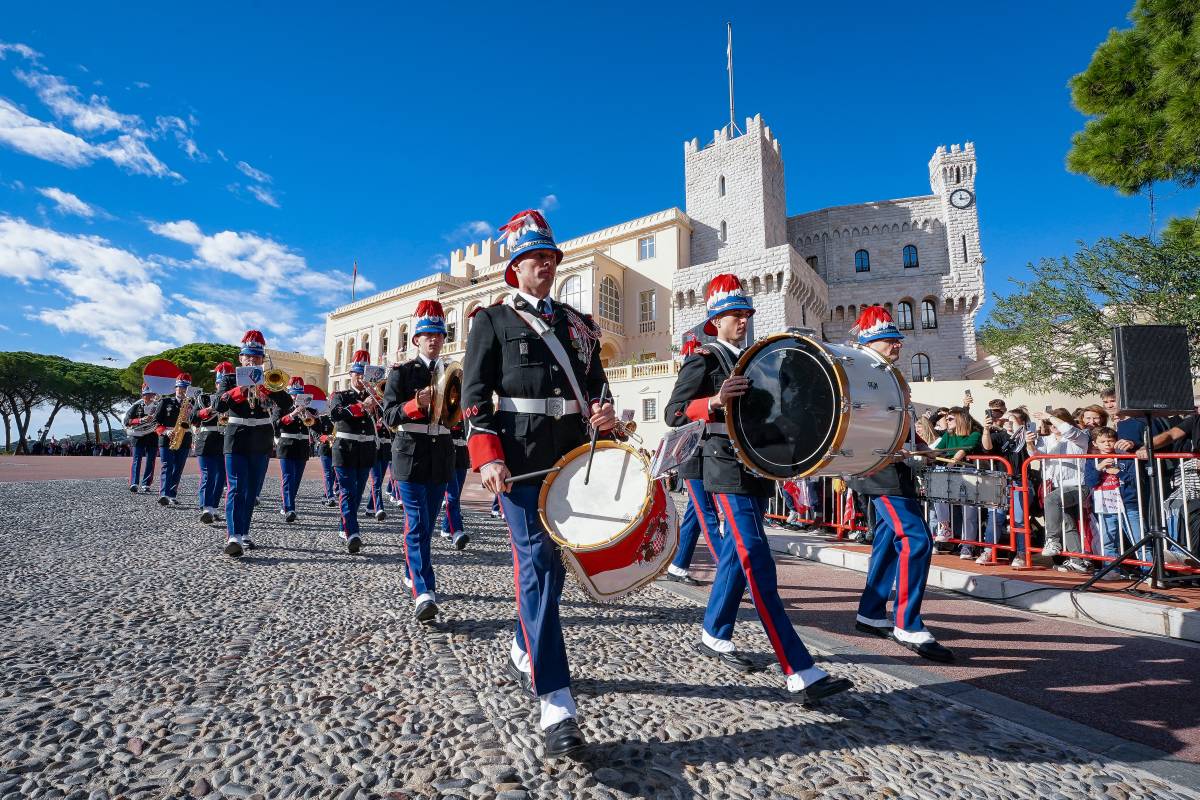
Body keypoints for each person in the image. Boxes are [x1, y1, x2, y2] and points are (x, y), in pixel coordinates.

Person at [461, 209, 616, 759]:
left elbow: (597, 383)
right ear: (515, 267)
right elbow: (475, 396)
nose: (544, 267)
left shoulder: (578, 323)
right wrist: (486, 456)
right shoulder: (493, 321)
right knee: (539, 562)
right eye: (534, 259)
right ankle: (556, 701)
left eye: (550, 259)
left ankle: (524, 644)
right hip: (520, 458)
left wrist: (604, 412)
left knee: (554, 564)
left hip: (573, 456)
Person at [665, 273, 857, 694]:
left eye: (746, 314)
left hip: (755, 468)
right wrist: (714, 400)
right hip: (723, 468)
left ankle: (714, 633)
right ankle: (799, 670)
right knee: (755, 557)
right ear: (715, 321)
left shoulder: (756, 359)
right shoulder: (705, 359)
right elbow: (674, 413)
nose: (743, 321)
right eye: (734, 315)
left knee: (736, 554)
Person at [842, 306, 955, 662]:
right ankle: (908, 622)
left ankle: (871, 611)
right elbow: (854, 417)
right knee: (916, 538)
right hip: (878, 468)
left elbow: (898, 422)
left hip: (895, 465)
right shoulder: (860, 371)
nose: (897, 346)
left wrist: (919, 448)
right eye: (889, 340)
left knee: (890, 541)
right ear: (870, 343)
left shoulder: (889, 374)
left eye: (897, 340)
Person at [383, 300, 460, 622]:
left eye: (439, 335)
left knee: (426, 525)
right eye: (428, 335)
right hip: (410, 453)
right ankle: (423, 590)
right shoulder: (401, 373)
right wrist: (414, 405)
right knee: (416, 523)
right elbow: (389, 416)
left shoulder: (453, 371)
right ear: (416, 340)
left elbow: (456, 416)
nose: (434, 340)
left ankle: (410, 569)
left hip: (440, 452)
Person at [199, 331, 294, 557]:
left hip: (260, 437)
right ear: (240, 359)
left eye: (257, 358)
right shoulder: (229, 379)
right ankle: (233, 535)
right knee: (235, 487)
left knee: (251, 490)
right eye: (248, 357)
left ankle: (244, 532)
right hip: (236, 435)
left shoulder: (269, 379)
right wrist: (241, 390)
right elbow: (219, 405)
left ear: (262, 360)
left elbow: (288, 403)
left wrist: (267, 388)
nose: (252, 361)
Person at [662, 333, 720, 586]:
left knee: (696, 515)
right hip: (696, 453)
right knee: (708, 515)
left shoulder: (726, 359)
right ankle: (731, 574)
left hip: (712, 453)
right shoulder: (702, 360)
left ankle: (678, 565)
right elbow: (674, 412)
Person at [329, 349, 379, 554]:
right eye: (357, 373)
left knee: (357, 493)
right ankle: (353, 533)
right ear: (350, 374)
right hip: (345, 449)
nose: (360, 378)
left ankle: (344, 524)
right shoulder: (340, 395)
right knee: (348, 491)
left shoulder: (374, 396)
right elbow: (335, 415)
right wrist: (360, 407)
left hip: (366, 449)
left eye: (363, 374)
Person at [1034, 408, 1091, 571]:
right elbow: (1036, 454)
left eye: (1056, 422)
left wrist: (1049, 416)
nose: (1054, 426)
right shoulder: (1048, 439)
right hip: (1057, 486)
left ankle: (1053, 540)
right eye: (1050, 424)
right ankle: (1077, 560)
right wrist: (1030, 442)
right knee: (1067, 523)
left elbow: (1068, 431)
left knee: (1051, 500)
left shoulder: (1079, 436)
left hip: (1078, 485)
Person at [1084, 425, 1144, 576]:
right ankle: (1111, 570)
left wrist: (1119, 472)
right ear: (1095, 444)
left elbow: (1135, 479)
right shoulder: (1092, 460)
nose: (1107, 444)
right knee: (1108, 540)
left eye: (1110, 441)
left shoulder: (1126, 457)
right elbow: (1090, 482)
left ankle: (1148, 570)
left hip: (1128, 503)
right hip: (1105, 505)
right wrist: (1099, 468)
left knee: (1139, 538)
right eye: (1103, 441)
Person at [194, 363, 233, 524]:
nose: (221, 386)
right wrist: (210, 409)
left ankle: (214, 508)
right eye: (219, 383)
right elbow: (193, 419)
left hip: (225, 440)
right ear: (216, 383)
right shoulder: (203, 398)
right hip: (206, 439)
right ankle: (206, 507)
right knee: (208, 475)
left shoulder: (234, 400)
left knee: (220, 477)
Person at [275, 376, 314, 523]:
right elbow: (276, 423)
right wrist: (292, 414)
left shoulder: (308, 406)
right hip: (286, 445)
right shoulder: (282, 406)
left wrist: (309, 415)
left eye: (298, 394)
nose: (296, 396)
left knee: (296, 480)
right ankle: (290, 508)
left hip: (302, 446)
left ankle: (286, 504)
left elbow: (316, 427)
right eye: (293, 394)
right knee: (288, 477)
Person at [154, 372, 195, 507]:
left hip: (185, 437)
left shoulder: (192, 403)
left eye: (185, 388)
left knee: (178, 467)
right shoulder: (165, 402)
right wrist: (165, 431)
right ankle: (164, 494)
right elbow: (155, 423)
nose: (183, 390)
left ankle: (172, 494)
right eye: (180, 387)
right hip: (167, 437)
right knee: (167, 465)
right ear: (175, 388)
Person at [440, 417, 471, 548]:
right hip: (446, 451)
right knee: (452, 496)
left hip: (462, 453)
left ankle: (446, 528)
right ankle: (457, 532)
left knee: (456, 496)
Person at [123, 384, 159, 493]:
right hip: (138, 436)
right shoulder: (136, 407)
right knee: (136, 460)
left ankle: (146, 484)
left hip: (152, 436)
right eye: (147, 395)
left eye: (151, 395)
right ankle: (134, 483)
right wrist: (141, 420)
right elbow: (126, 421)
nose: (149, 397)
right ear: (143, 395)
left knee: (151, 461)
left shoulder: (157, 407)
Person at [314, 414, 338, 507]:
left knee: (334, 473)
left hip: (338, 450)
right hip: (325, 449)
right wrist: (326, 437)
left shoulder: (340, 417)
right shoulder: (322, 418)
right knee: (328, 473)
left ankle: (326, 495)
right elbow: (316, 434)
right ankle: (330, 497)